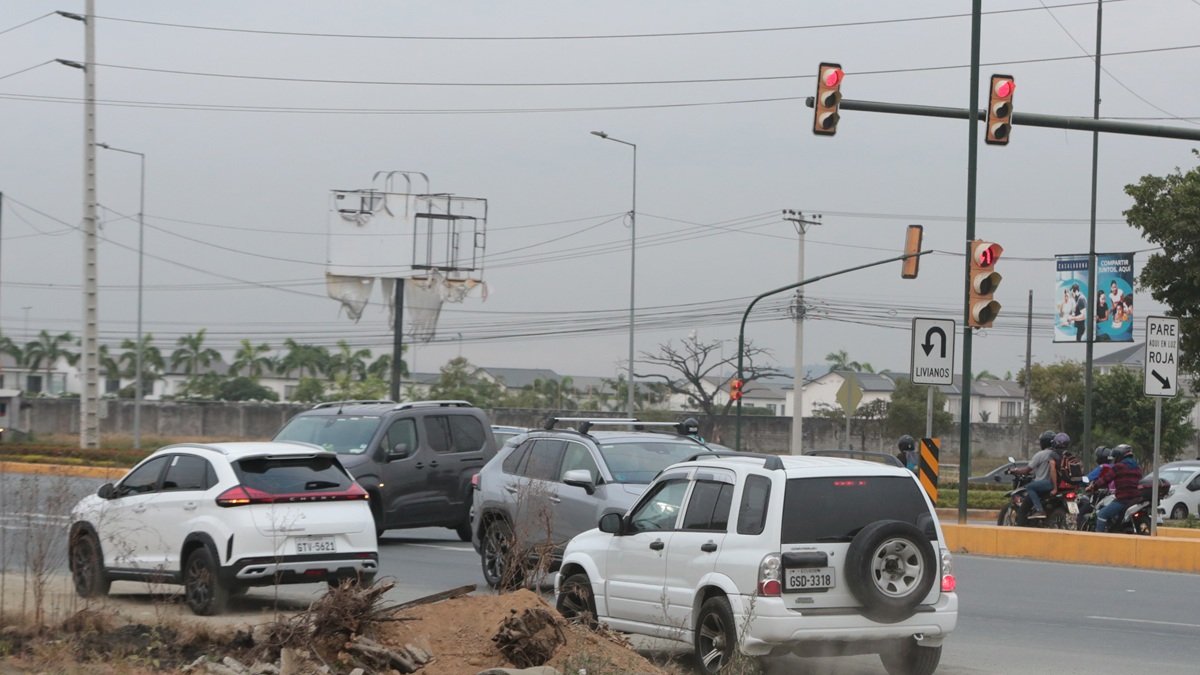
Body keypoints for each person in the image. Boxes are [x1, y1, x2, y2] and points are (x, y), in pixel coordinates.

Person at [1012, 431, 1067, 519]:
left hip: (1046, 484)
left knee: (1029, 488)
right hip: (1058, 485)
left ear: (1043, 442)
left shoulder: (1041, 454)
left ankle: (1039, 510)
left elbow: (1027, 470)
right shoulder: (1059, 454)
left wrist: (1015, 471)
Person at [1089, 444, 1142, 533]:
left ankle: (1098, 539)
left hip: (1123, 499)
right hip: (1136, 499)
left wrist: (1093, 486)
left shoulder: (1118, 467)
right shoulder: (1137, 467)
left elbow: (1106, 479)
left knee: (1102, 514)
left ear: (1119, 456)